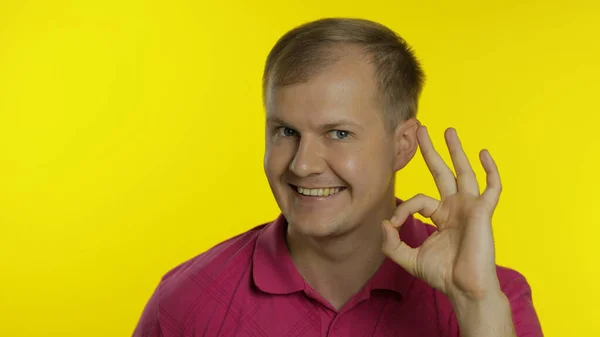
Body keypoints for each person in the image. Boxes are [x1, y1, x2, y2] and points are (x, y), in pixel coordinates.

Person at [132, 17, 543, 337]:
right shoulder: (187, 302)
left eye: (338, 133)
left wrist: (475, 304)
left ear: (401, 145)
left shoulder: (493, 298)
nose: (303, 164)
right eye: (286, 131)